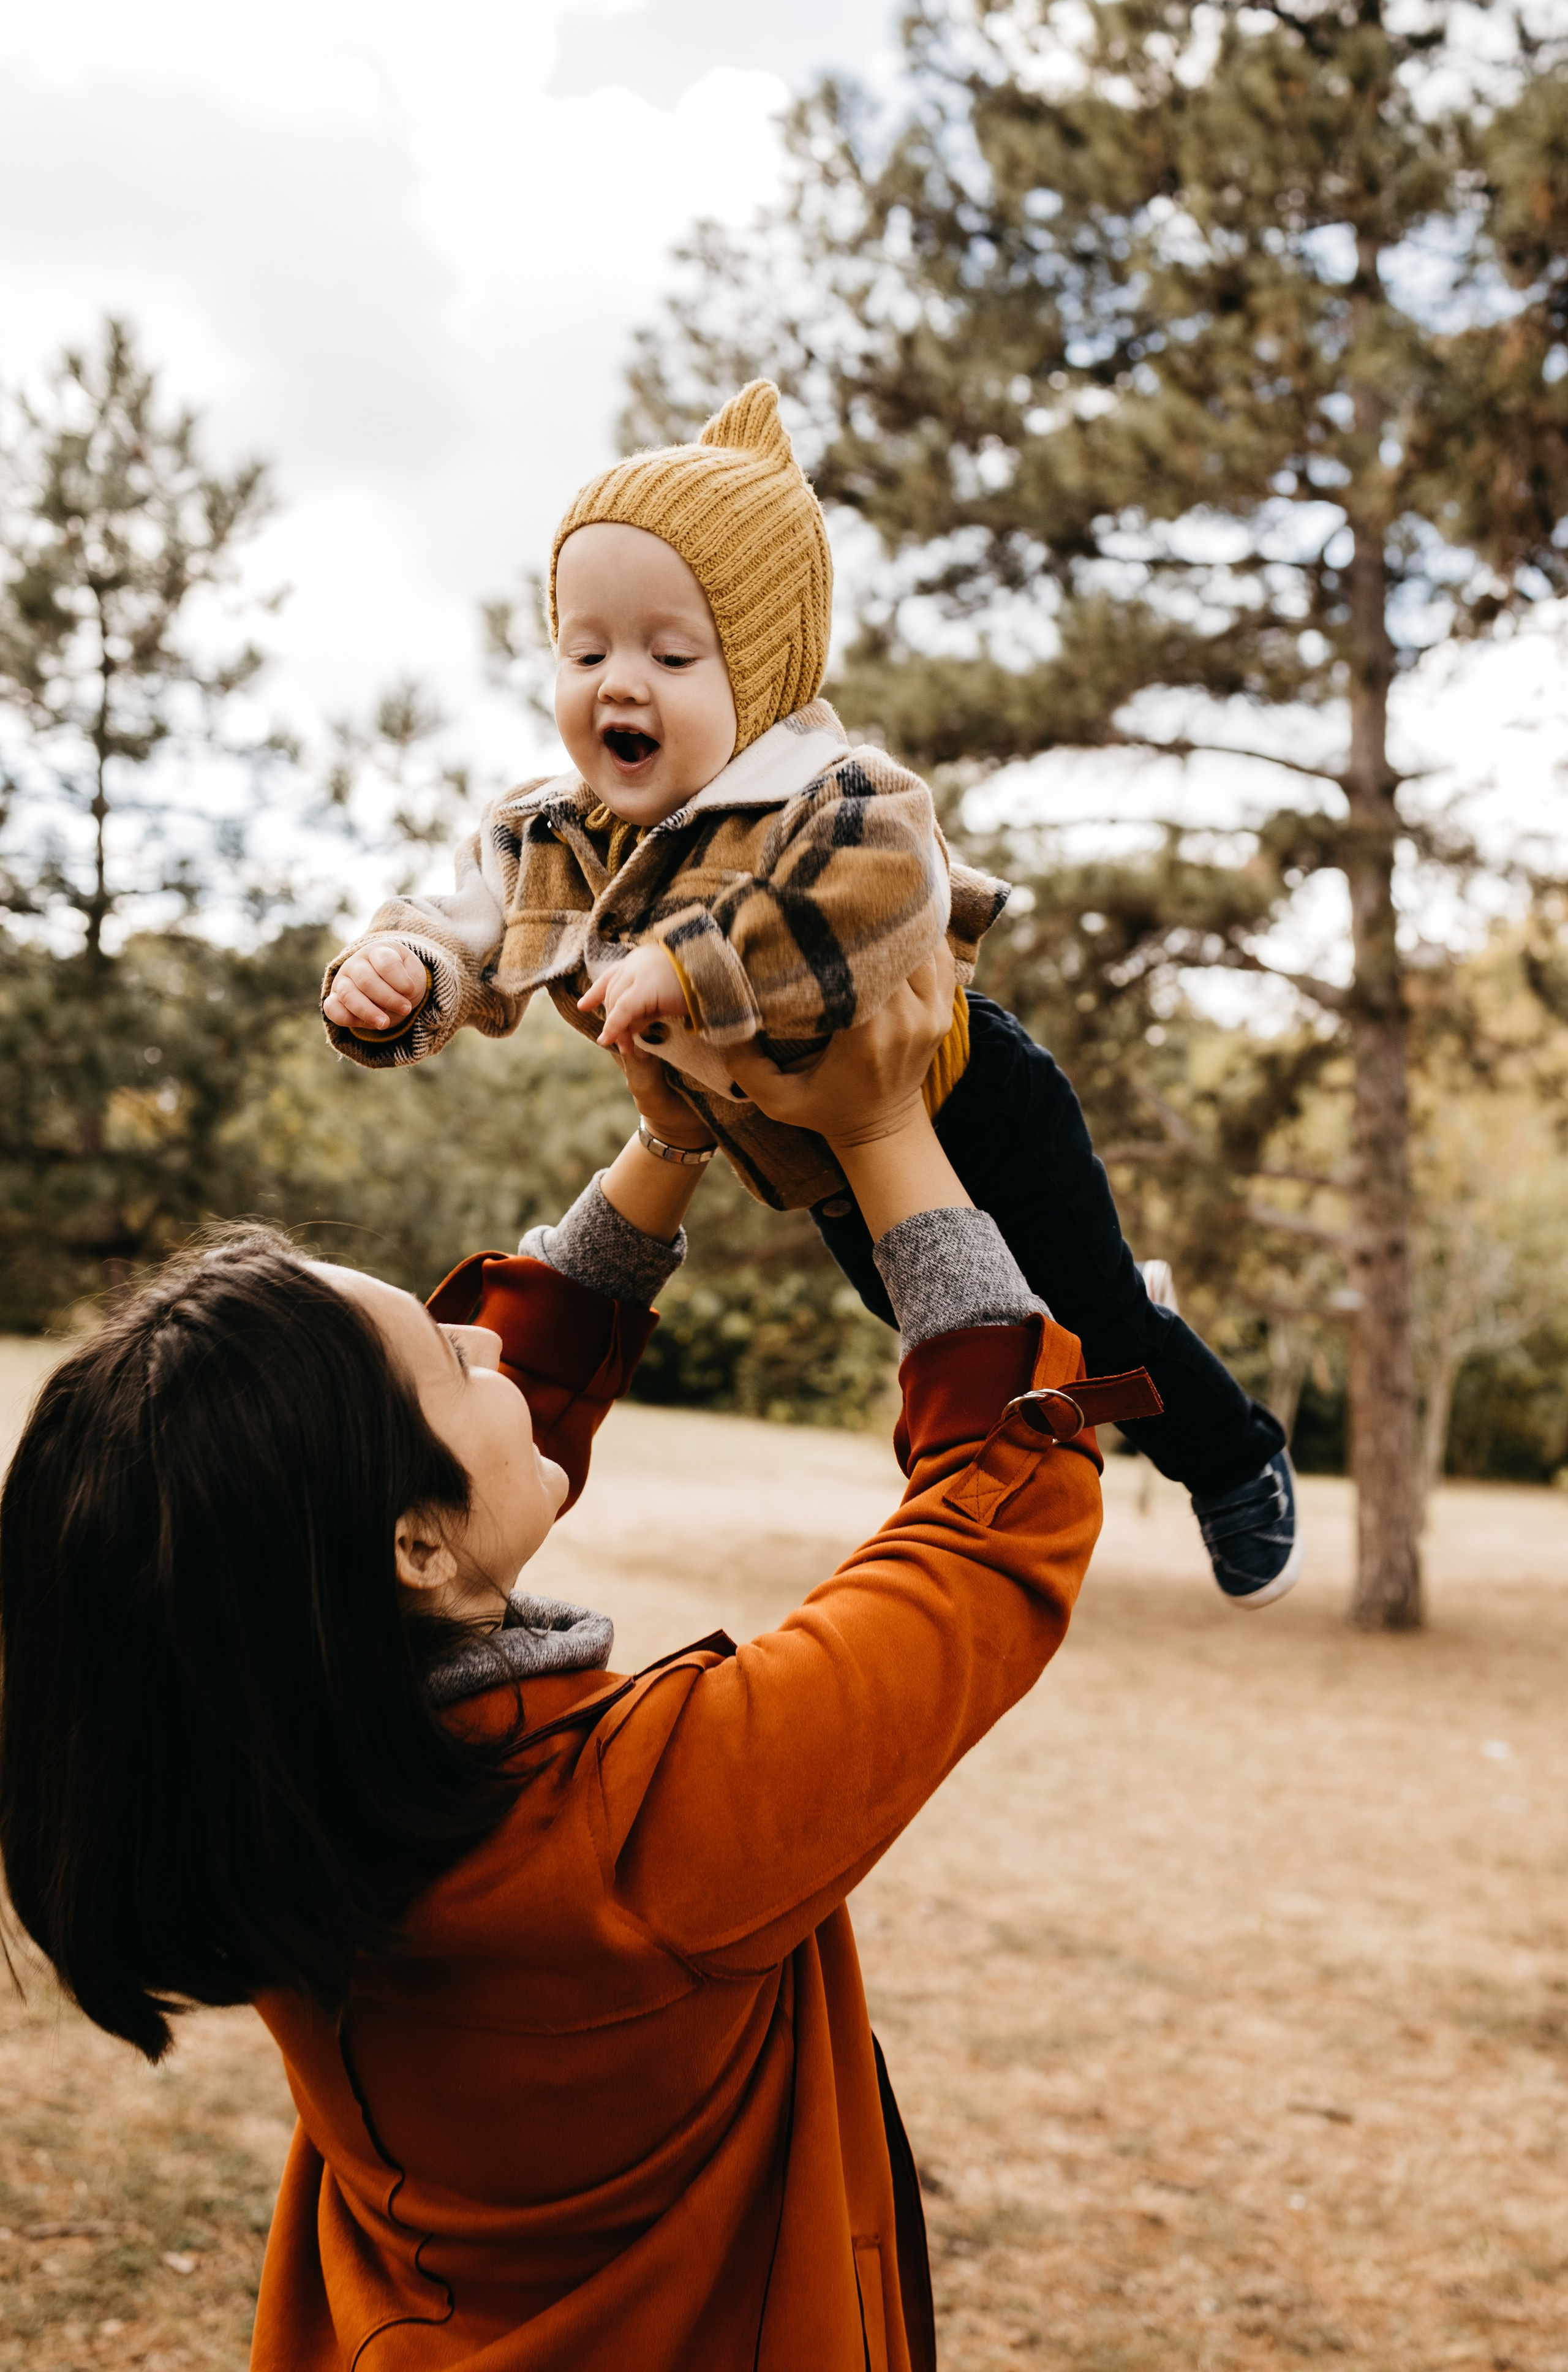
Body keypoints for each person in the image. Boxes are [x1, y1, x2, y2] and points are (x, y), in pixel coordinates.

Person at [0, 965, 1158, 2371]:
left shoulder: (266, 1795)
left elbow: (449, 1487)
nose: (486, 1331)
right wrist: (878, 1123)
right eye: (444, 1350)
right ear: (410, 1544)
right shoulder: (654, 1831)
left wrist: (671, 1140)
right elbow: (997, 1511)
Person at [320, 380, 1298, 1607]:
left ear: (764, 670)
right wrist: (406, 975)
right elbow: (469, 919)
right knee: (951, 1344)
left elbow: (873, 903)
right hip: (821, 1164)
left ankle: (1238, 1455)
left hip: (970, 1095)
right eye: (585, 649)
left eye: (671, 654)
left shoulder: (836, 793)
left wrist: (689, 965)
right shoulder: (555, 832)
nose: (619, 682)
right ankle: (1082, 1308)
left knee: (1098, 1326)